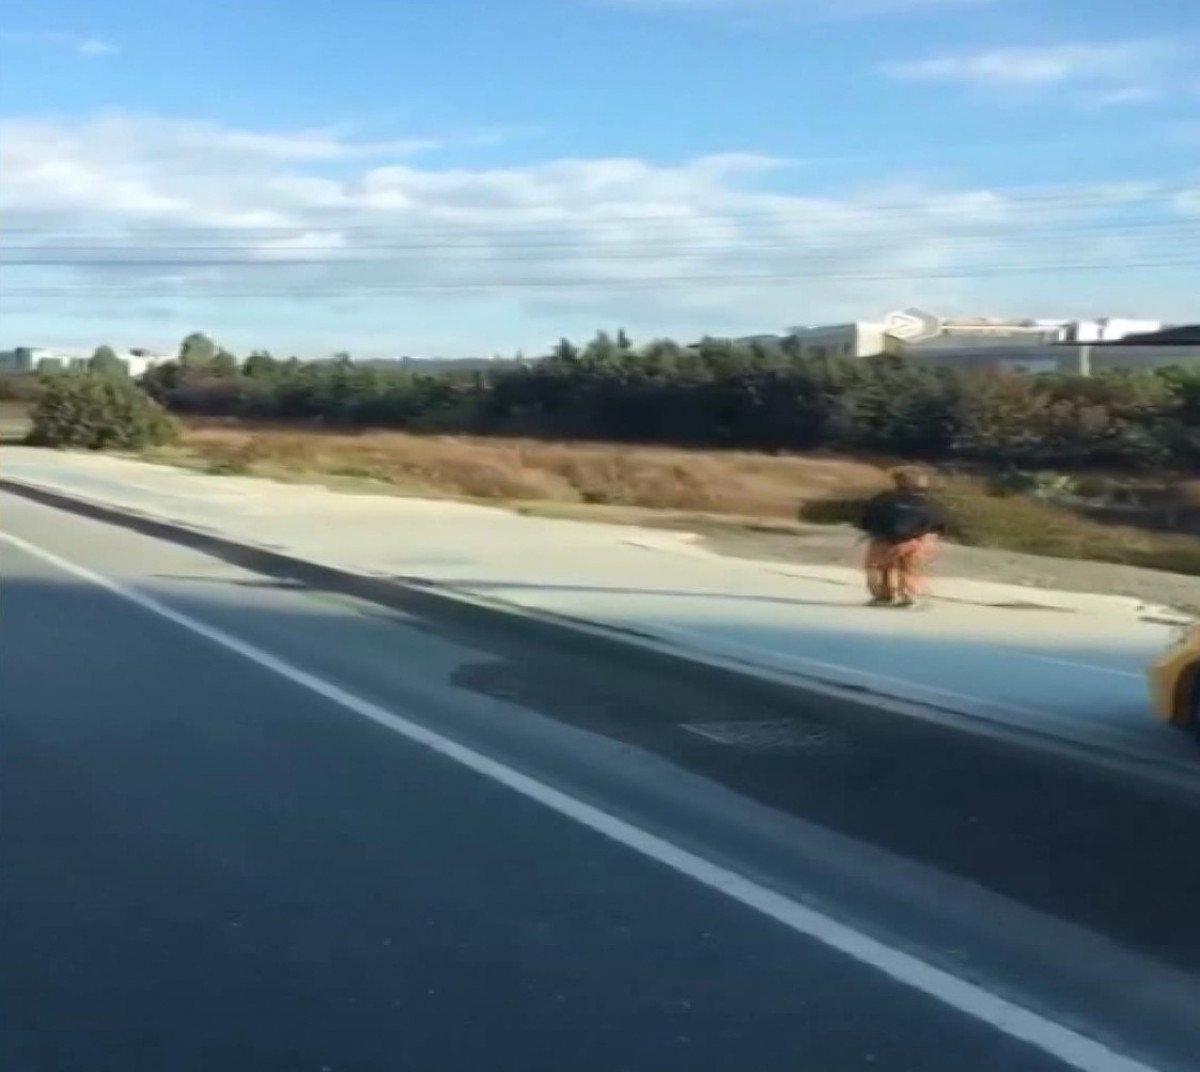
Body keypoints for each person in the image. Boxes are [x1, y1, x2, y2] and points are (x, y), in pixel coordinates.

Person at [858, 468, 945, 608]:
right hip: (913, 540)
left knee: (880, 568)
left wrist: (872, 531)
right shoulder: (924, 502)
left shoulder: (883, 499)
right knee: (908, 569)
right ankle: (908, 595)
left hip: (886, 539)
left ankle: (886, 596)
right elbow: (936, 524)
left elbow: (868, 517)